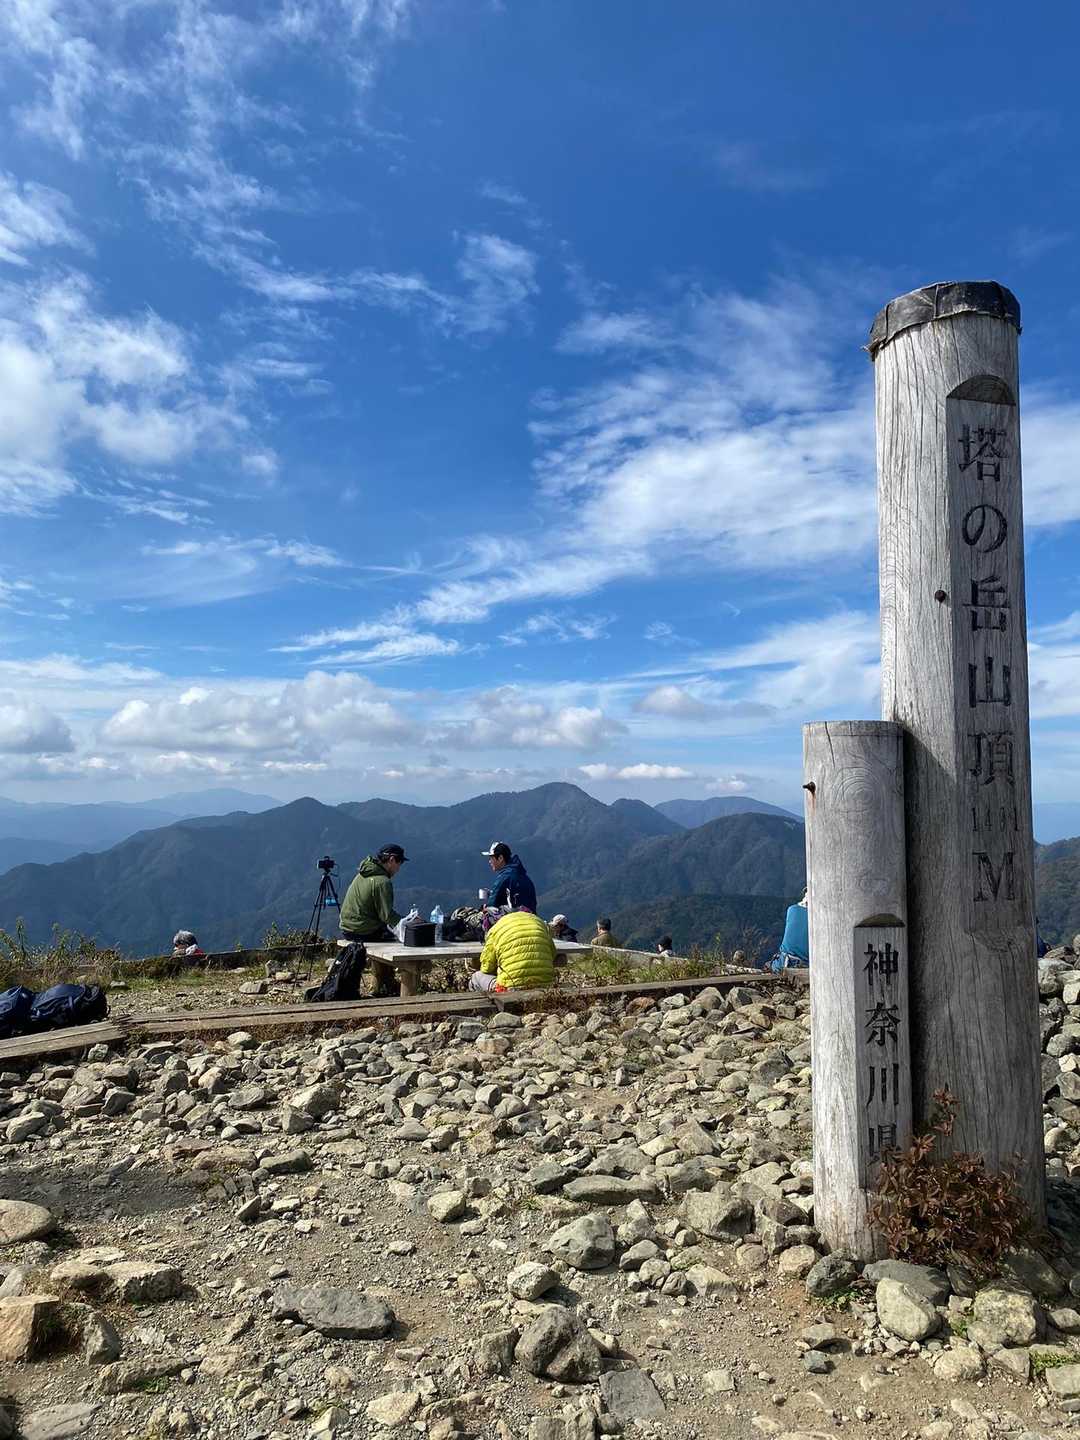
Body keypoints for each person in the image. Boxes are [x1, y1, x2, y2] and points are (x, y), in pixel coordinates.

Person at [469, 907, 556, 992]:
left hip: (510, 988)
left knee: (476, 977)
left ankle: (481, 1001)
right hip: (547, 986)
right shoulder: (539, 922)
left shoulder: (496, 928)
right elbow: (553, 953)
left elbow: (486, 968)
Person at [339, 844, 408, 942]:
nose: (398, 869)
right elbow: (387, 916)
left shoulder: (363, 873)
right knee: (406, 938)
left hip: (347, 929)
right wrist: (409, 922)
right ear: (391, 860)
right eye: (399, 863)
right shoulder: (382, 882)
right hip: (363, 932)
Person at [481, 841, 537, 912]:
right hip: (531, 914)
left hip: (515, 916)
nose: (489, 861)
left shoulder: (505, 877)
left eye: (491, 858)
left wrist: (485, 907)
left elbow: (492, 905)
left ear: (500, 858)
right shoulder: (521, 874)